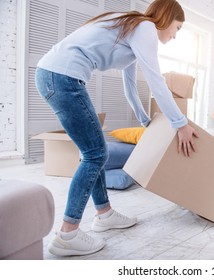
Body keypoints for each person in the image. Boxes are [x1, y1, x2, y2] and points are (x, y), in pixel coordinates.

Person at [35, 0, 198, 256]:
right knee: (96, 154)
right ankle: (68, 233)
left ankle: (104, 214)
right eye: (177, 28)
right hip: (63, 77)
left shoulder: (132, 28)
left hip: (54, 75)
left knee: (95, 151)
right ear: (167, 18)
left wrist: (146, 121)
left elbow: (130, 87)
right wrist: (181, 124)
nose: (175, 36)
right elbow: (156, 81)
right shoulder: (145, 28)